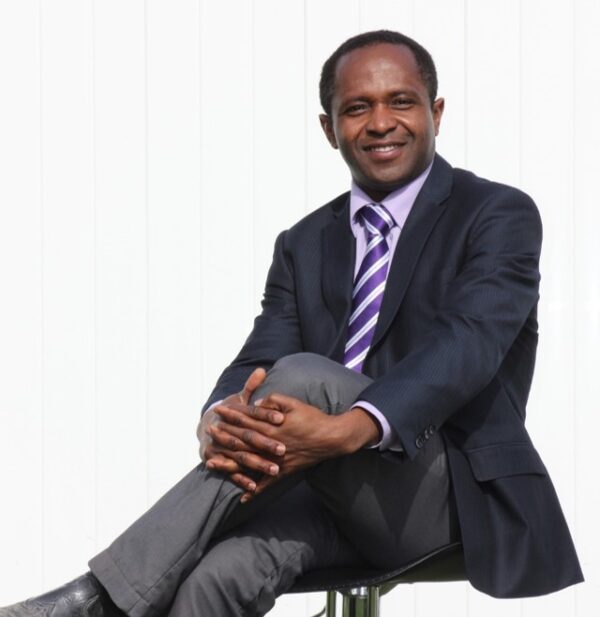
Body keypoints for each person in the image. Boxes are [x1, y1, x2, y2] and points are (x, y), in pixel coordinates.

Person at [0, 29, 583, 617]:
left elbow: (469, 343)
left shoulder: (497, 214)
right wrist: (221, 418)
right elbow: (260, 357)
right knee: (216, 579)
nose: (381, 122)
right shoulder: (304, 242)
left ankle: (100, 600)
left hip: (444, 494)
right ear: (329, 129)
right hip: (323, 488)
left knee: (303, 376)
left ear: (436, 112)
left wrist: (352, 428)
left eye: (401, 102)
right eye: (357, 108)